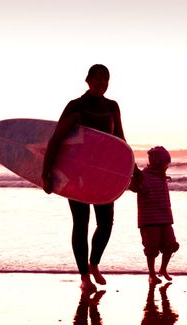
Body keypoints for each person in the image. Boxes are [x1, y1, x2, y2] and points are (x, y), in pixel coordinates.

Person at [42, 64, 127, 291]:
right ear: (88, 80)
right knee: (81, 223)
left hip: (103, 175)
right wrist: (46, 173)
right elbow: (56, 139)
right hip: (77, 176)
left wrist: (132, 172)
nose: (102, 84)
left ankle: (94, 263)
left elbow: (120, 141)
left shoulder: (112, 107)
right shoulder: (76, 106)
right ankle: (84, 277)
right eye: (98, 79)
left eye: (106, 80)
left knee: (106, 223)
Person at [129, 146, 180, 284]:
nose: (167, 166)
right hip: (149, 219)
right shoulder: (144, 176)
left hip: (165, 217)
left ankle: (163, 269)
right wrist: (136, 183)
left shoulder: (162, 176)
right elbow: (133, 186)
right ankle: (151, 274)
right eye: (165, 163)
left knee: (171, 244)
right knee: (151, 248)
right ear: (158, 163)